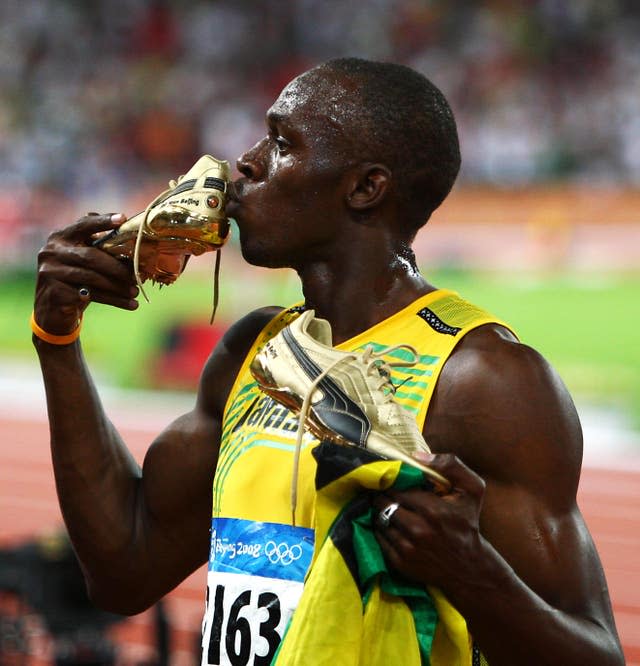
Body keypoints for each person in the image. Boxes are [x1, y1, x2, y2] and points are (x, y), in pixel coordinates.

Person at [32, 58, 623, 665]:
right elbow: (124, 569)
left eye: (284, 143)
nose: (248, 162)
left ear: (365, 187)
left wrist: (470, 571)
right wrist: (58, 340)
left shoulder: (482, 381)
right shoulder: (251, 353)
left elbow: (598, 654)